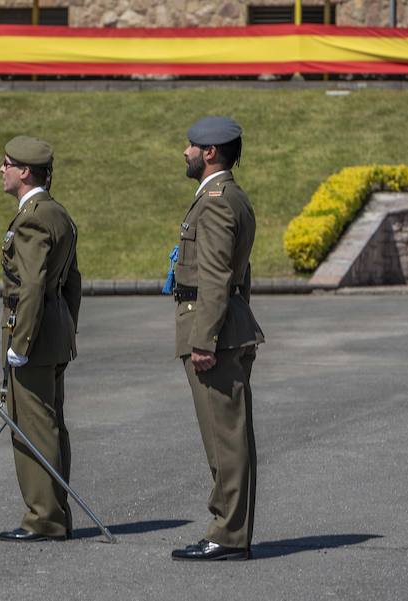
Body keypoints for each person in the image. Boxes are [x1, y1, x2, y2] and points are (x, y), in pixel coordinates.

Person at [167, 116, 264, 561]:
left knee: (225, 438)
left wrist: (204, 339)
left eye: (190, 146)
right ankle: (229, 530)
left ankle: (227, 534)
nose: (184, 153)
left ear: (209, 153)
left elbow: (217, 274)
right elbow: (239, 274)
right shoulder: (231, 197)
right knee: (228, 436)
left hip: (214, 335)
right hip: (225, 326)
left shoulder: (217, 201)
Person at [0, 135, 81, 543]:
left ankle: (44, 517)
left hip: (32, 334)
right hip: (54, 332)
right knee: (50, 424)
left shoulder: (31, 217)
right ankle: (55, 511)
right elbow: (73, 284)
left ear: (25, 171)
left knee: (32, 427)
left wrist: (21, 343)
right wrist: (67, 329)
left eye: (7, 163)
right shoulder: (57, 213)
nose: (2, 170)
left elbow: (30, 286)